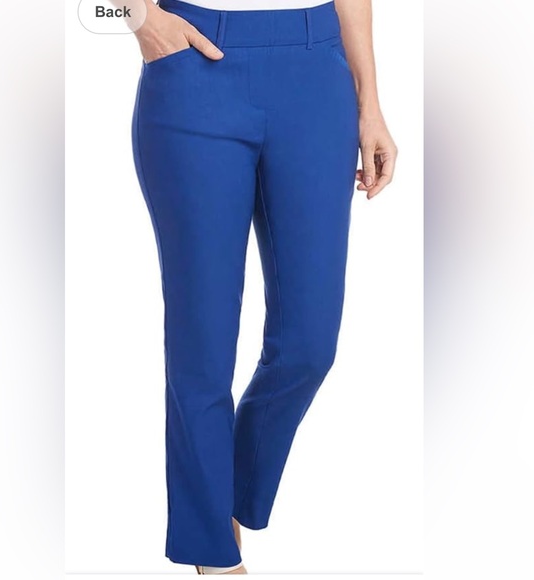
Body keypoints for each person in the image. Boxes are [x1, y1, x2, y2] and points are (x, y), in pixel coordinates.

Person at [127, 0, 397, 573]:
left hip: (316, 72)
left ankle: (222, 498)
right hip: (194, 66)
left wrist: (370, 103)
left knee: (309, 345)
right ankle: (214, 554)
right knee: (203, 345)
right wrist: (139, 17)